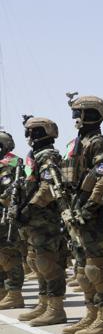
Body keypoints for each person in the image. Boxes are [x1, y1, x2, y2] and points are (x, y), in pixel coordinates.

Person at [57, 96, 103, 334]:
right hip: (76, 211)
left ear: (91, 115)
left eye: (79, 113)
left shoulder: (99, 142)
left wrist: (90, 205)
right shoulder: (75, 144)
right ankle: (91, 313)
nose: (75, 118)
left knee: (97, 268)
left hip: (92, 215)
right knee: (82, 269)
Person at [17, 117, 68, 325]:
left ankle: (56, 307)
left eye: (32, 131)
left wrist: (31, 207)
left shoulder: (47, 155)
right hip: (34, 220)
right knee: (36, 261)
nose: (29, 136)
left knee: (48, 263)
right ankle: (44, 302)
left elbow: (49, 186)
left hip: (45, 218)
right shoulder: (34, 156)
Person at [0, 131, 26, 310]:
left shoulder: (11, 164)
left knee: (9, 255)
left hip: (5, 217)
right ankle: (2, 291)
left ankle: (14, 294)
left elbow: (9, 193)